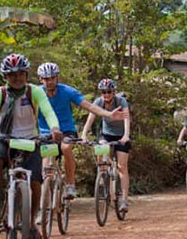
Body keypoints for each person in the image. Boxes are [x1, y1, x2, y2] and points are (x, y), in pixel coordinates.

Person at [0, 53, 61, 239]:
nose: (16, 78)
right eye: (12, 74)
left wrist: (55, 129)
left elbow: (49, 112)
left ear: (26, 74)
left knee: (36, 182)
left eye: (20, 74)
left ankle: (30, 222)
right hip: (4, 138)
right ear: (5, 77)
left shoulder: (35, 92)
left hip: (30, 140)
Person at [36, 62, 125, 201]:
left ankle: (70, 184)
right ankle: (45, 209)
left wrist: (107, 114)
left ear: (57, 78)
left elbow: (88, 106)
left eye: (53, 78)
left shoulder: (67, 91)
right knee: (46, 169)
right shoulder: (36, 93)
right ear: (41, 80)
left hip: (66, 131)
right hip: (46, 133)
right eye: (46, 79)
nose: (50, 81)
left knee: (66, 148)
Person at [80, 78, 132, 215]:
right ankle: (103, 175)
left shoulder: (121, 101)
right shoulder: (99, 102)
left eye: (109, 92)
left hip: (121, 135)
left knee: (122, 166)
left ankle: (124, 199)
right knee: (100, 149)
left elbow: (127, 119)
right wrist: (84, 135)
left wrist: (126, 136)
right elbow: (90, 119)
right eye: (103, 92)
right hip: (106, 134)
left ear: (114, 92)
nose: (106, 95)